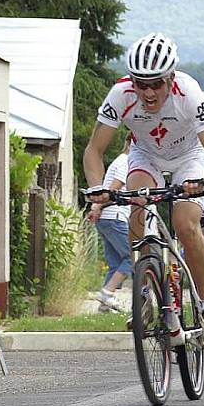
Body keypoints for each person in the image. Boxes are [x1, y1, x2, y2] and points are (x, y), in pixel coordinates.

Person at [83, 32, 204, 351]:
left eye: (156, 84)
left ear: (171, 79)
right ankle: (148, 288)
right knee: (138, 205)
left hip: (190, 157)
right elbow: (94, 150)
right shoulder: (120, 95)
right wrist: (98, 189)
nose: (148, 92)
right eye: (141, 83)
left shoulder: (189, 94)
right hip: (145, 154)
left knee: (185, 224)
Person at [88, 133, 133, 313]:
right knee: (131, 257)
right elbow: (114, 188)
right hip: (115, 216)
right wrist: (97, 206)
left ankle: (104, 306)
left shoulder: (118, 161)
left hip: (106, 218)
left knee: (115, 262)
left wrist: (97, 208)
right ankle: (107, 292)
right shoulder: (126, 162)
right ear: (130, 143)